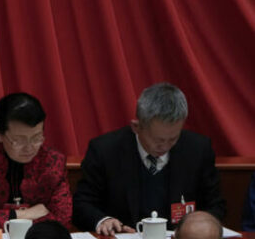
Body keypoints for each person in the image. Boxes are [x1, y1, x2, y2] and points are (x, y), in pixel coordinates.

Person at [73, 82, 225, 234]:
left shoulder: (197, 149)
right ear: (136, 127)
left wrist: (195, 227)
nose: (165, 146)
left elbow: (216, 205)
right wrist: (103, 220)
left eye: (172, 139)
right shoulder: (105, 150)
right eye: (158, 140)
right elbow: (82, 204)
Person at [0, 93, 70, 228]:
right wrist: (22, 214)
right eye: (19, 140)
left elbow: (62, 219)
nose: (29, 148)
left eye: (36, 138)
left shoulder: (54, 162)